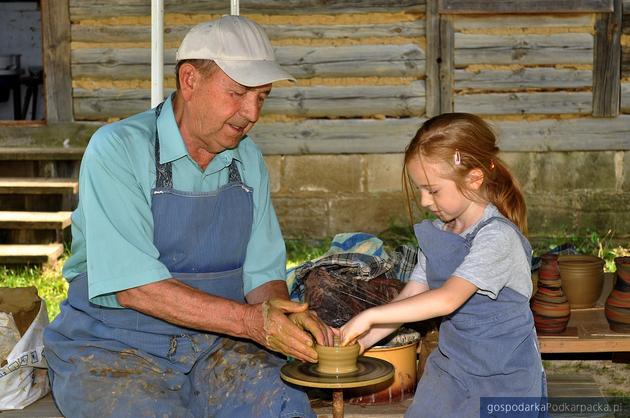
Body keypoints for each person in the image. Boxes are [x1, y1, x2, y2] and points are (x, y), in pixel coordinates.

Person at [43, 15, 333, 418]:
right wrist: (252, 323)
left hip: (214, 344)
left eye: (262, 97)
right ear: (190, 80)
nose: (251, 113)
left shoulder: (247, 159)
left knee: (284, 405)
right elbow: (135, 288)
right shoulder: (119, 149)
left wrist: (282, 319)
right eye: (238, 93)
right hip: (113, 348)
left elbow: (262, 275)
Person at [339, 113, 548, 417]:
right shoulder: (439, 233)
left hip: (504, 377)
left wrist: (370, 315)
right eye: (419, 189)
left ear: (474, 179)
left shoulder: (498, 237)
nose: (424, 201)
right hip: (454, 369)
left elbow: (448, 299)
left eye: (432, 190)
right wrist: (362, 342)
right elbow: (412, 296)